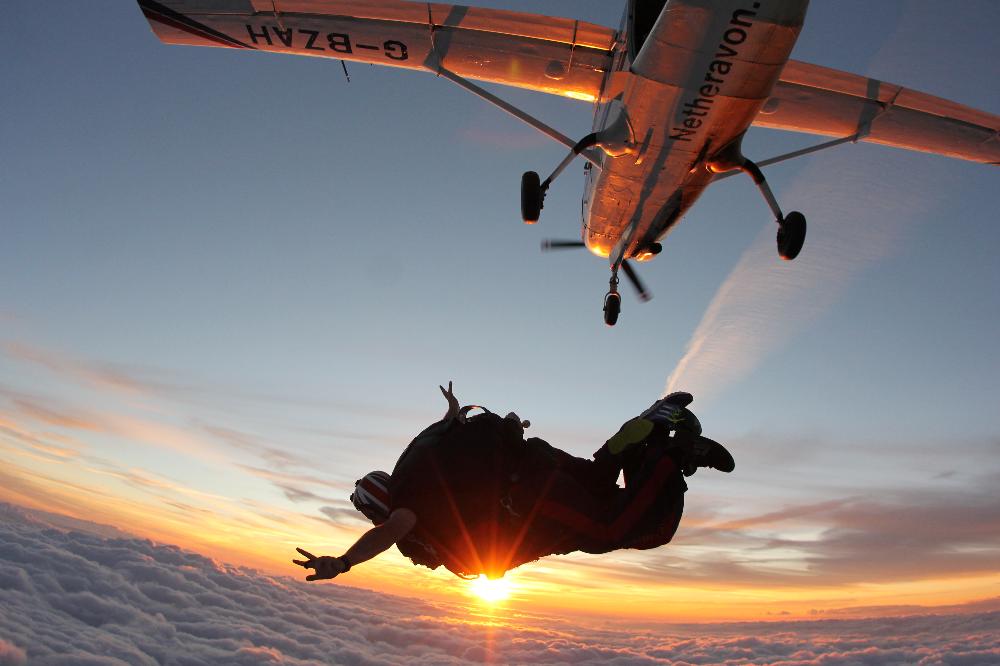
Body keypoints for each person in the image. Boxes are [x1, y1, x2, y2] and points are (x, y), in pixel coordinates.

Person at [293, 382, 734, 581]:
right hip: (534, 460)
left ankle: (673, 452)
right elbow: (451, 421)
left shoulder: (407, 503)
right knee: (599, 480)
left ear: (378, 506)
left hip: (531, 496)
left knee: (611, 529)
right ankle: (651, 426)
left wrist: (343, 563)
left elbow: (390, 532)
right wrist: (452, 408)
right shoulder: (419, 461)